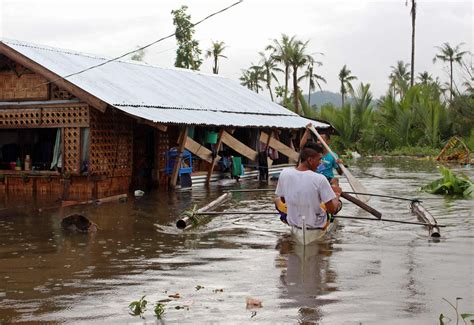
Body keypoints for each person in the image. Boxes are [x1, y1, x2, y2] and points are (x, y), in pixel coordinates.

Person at [274, 142, 342, 229]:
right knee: (338, 204)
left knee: (277, 200)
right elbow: (331, 210)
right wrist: (337, 195)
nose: (320, 163)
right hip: (316, 224)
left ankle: (290, 221)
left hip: (294, 221)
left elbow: (283, 200)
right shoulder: (320, 179)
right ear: (310, 160)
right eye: (319, 159)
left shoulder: (284, 173)